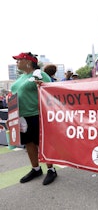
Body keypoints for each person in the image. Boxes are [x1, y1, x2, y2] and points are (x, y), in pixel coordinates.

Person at [10, 52, 57, 185]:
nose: (16, 62)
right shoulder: (21, 77)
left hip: (37, 115)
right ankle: (36, 169)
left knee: (41, 143)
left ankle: (51, 169)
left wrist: (42, 84)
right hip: (21, 117)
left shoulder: (39, 74)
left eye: (19, 60)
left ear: (28, 61)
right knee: (29, 143)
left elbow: (52, 90)